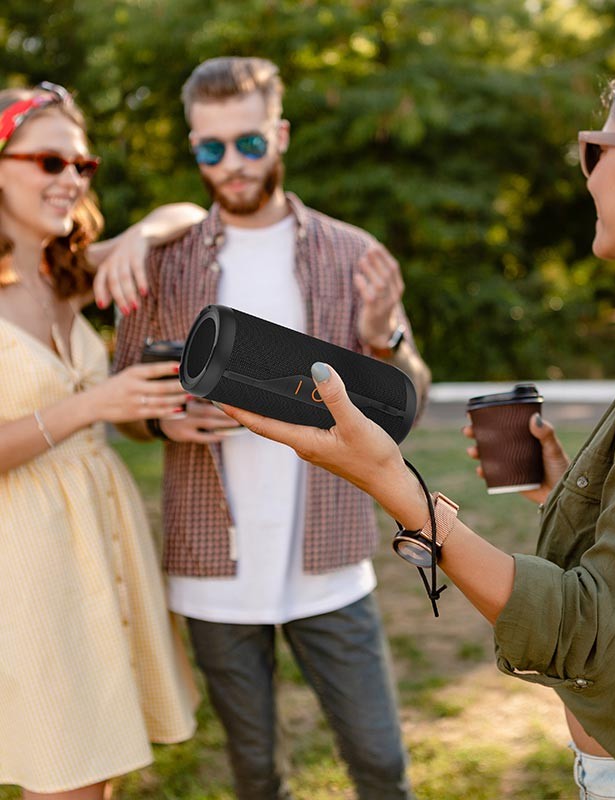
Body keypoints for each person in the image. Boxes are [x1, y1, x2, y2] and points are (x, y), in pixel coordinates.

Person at [223, 35, 615, 799]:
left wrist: (392, 484)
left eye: (598, 147)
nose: (585, 171)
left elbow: (587, 628)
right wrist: (561, 489)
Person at [112, 56, 431, 800]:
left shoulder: (352, 255)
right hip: (211, 570)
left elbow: (407, 401)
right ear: (194, 148)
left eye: (249, 143)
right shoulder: (162, 265)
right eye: (210, 148)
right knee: (256, 776)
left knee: (382, 766)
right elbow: (125, 407)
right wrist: (162, 429)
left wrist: (384, 336)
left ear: (280, 134)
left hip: (330, 563)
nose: (230, 164)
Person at [0, 83, 201, 799]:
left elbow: (189, 213)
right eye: (50, 161)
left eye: (83, 166)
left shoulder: (64, 273)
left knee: (102, 761)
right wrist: (95, 405)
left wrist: (142, 236)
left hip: (94, 539)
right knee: (68, 769)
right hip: (23, 558)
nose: (70, 180)